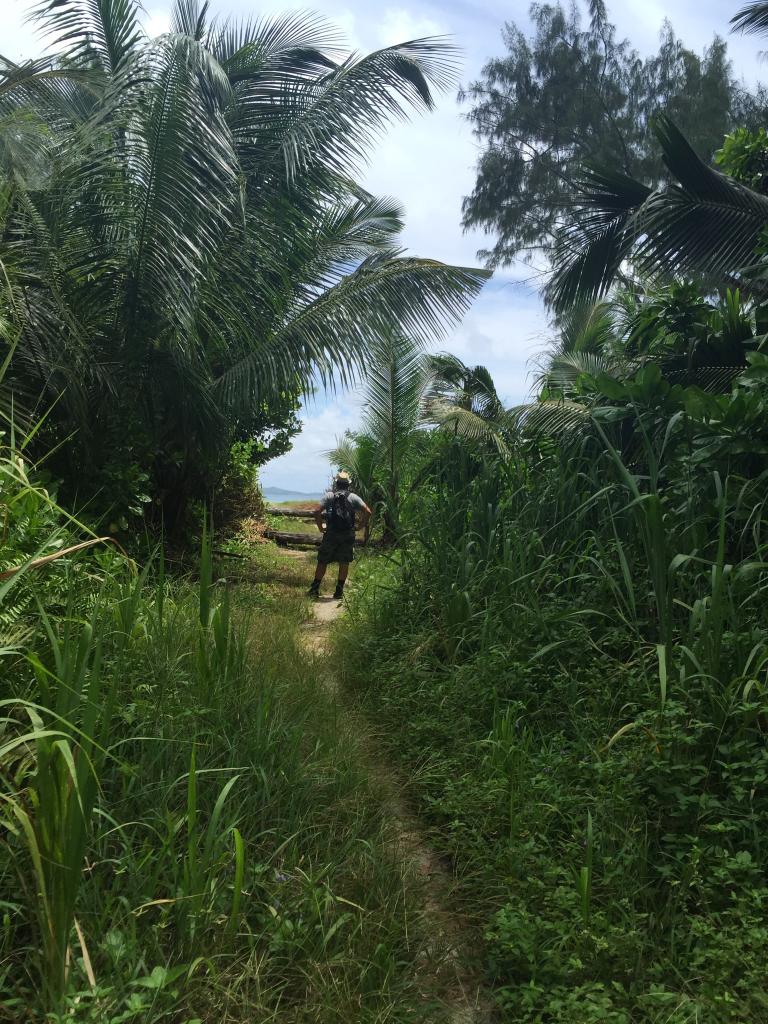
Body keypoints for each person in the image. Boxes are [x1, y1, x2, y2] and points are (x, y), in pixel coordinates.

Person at [308, 472, 372, 600]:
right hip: (347, 534)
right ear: (348, 484)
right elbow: (368, 511)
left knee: (323, 560)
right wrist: (360, 527)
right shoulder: (353, 497)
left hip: (331, 532)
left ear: (336, 483)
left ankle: (314, 589)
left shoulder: (329, 495)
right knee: (344, 562)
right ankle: (339, 591)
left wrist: (321, 527)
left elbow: (316, 511)